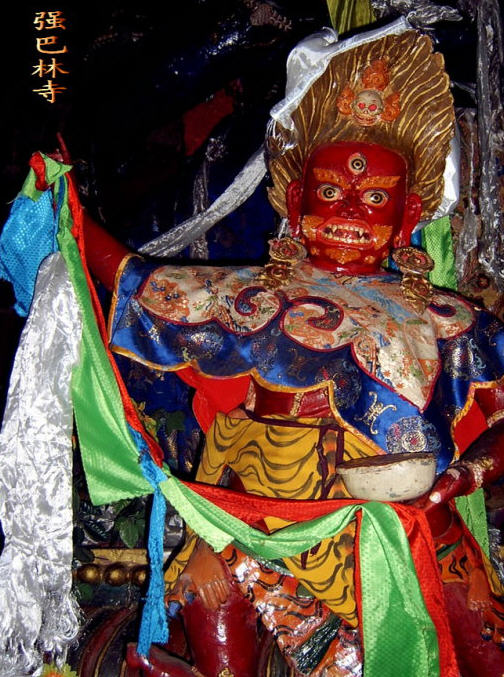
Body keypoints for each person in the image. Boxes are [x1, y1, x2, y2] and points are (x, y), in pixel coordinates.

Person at [83, 25, 504, 677]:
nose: (350, 210)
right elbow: (136, 281)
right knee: (210, 587)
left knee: (478, 631)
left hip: (403, 524)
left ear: (408, 213)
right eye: (331, 191)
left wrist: (462, 477)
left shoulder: (448, 319)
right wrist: (65, 209)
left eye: (375, 197)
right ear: (296, 199)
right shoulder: (250, 296)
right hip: (261, 511)